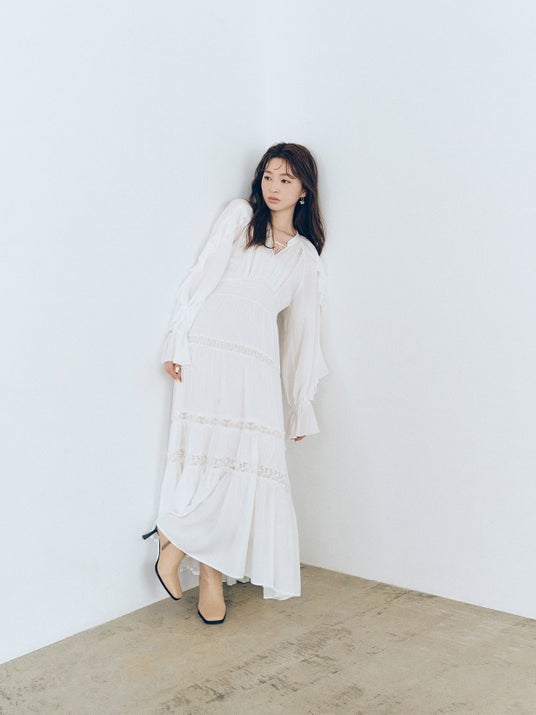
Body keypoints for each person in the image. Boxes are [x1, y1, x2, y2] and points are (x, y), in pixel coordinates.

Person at [143, 142, 329, 624]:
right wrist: (177, 339)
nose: (273, 187)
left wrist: (299, 403)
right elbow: (200, 275)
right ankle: (205, 575)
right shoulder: (240, 217)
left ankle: (177, 547)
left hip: (257, 361)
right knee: (211, 458)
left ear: (304, 190)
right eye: (268, 176)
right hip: (210, 347)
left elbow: (303, 335)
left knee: (242, 467)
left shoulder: (305, 256)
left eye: (286, 179)